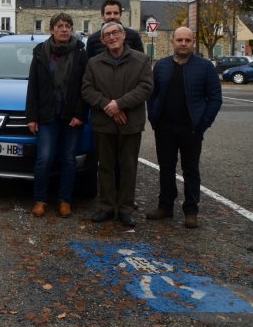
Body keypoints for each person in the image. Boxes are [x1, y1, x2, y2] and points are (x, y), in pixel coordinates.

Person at [146, 27, 222, 229]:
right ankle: (165, 206)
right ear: (172, 41)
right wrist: (153, 117)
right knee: (166, 168)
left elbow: (215, 99)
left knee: (190, 169)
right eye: (179, 39)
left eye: (187, 40)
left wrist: (203, 123)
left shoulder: (205, 67)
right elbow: (152, 94)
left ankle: (191, 210)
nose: (183, 43)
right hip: (164, 127)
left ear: (193, 42)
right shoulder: (161, 66)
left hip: (191, 129)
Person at [82, 21, 153, 227]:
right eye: (107, 35)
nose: (112, 37)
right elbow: (87, 89)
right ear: (103, 40)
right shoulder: (94, 63)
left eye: (116, 33)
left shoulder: (141, 60)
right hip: (104, 124)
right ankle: (106, 207)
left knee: (128, 167)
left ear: (123, 36)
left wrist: (120, 105)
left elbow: (146, 87)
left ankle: (125, 209)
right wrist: (108, 106)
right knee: (105, 167)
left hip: (130, 123)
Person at [26, 13, 89, 218]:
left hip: (71, 116)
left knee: (68, 159)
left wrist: (80, 113)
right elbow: (33, 87)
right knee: (44, 158)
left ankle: (65, 201)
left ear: (72, 30)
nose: (64, 29)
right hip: (47, 115)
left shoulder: (80, 53)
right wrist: (32, 117)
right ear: (52, 29)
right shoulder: (40, 53)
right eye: (60, 26)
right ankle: (40, 200)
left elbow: (85, 86)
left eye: (68, 26)